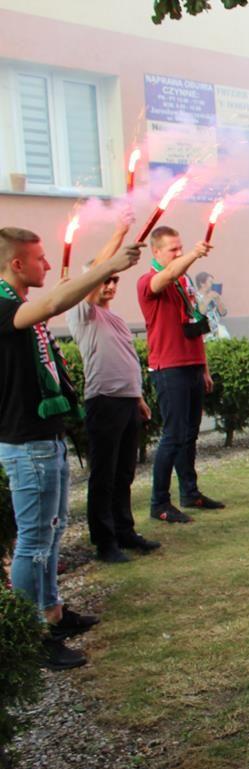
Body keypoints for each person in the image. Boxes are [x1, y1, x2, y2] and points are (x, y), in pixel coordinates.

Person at [1, 226, 142, 668]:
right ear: (17, 264)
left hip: (46, 437)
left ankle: (53, 612)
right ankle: (32, 635)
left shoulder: (22, 303)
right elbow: (60, 300)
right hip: (26, 444)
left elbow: (60, 293)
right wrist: (108, 266)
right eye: (40, 259)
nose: (48, 265)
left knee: (53, 533)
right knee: (34, 542)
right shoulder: (5, 305)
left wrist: (113, 248)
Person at [67, 212, 160, 564]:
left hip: (125, 403)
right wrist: (120, 232)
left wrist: (137, 398)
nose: (109, 285)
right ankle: (104, 542)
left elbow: (125, 359)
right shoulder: (82, 312)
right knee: (103, 475)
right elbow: (96, 274)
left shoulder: (115, 319)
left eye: (114, 280)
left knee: (124, 473)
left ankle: (124, 531)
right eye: (104, 279)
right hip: (103, 402)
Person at [137, 225, 222, 523]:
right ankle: (159, 502)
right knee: (172, 436)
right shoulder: (149, 281)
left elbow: (194, 324)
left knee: (189, 435)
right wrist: (193, 255)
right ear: (156, 252)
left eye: (180, 247)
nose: (178, 253)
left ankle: (190, 492)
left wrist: (204, 367)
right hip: (168, 368)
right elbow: (167, 276)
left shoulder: (183, 282)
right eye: (173, 249)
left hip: (192, 366)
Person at [195, 272, 230, 339]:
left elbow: (223, 313)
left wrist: (218, 300)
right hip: (204, 333)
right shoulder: (195, 297)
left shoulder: (213, 296)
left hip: (218, 331)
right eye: (210, 282)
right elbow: (200, 313)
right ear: (202, 284)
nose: (212, 285)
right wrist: (208, 298)